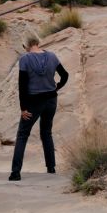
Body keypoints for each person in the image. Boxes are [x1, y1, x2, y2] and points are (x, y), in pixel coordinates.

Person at [9, 34, 68, 181]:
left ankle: (15, 173)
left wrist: (23, 108)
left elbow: (22, 86)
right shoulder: (52, 56)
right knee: (46, 132)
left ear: (26, 46)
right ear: (38, 42)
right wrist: (57, 87)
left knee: (22, 135)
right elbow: (65, 75)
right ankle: (51, 167)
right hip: (51, 100)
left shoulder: (25, 59)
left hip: (34, 102)